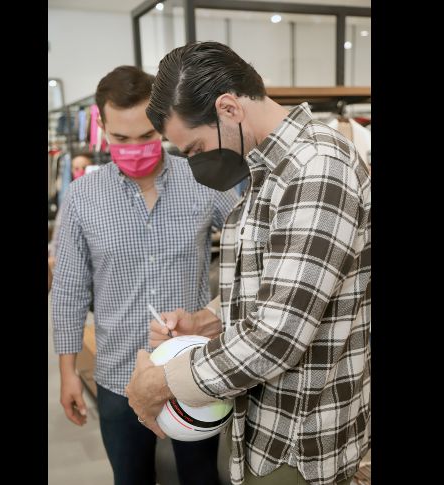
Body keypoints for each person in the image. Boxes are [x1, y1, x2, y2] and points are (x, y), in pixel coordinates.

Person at [124, 42, 371, 485]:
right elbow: (277, 286)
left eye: (196, 148)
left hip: (299, 443)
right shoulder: (269, 171)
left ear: (229, 108)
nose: (196, 163)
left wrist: (160, 384)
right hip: (268, 429)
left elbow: (278, 335)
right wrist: (207, 320)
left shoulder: (316, 168)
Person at [51, 65, 238, 485]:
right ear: (102, 128)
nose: (135, 148)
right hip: (118, 373)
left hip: (191, 368)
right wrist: (67, 373)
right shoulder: (82, 197)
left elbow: (253, 243)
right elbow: (68, 290)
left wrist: (219, 312)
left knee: (201, 476)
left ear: (162, 124)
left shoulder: (202, 178)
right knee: (131, 476)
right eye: (121, 138)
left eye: (147, 135)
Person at [49, 153, 93, 273]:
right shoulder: (70, 194)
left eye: (84, 167)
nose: (81, 171)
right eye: (76, 168)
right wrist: (53, 253)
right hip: (75, 256)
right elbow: (59, 224)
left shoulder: (103, 192)